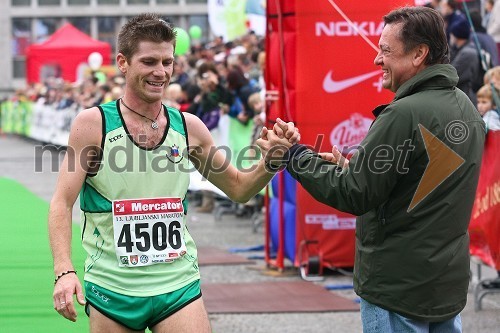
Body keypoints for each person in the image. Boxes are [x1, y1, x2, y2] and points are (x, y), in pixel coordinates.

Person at [48, 13, 298, 333]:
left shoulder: (189, 127)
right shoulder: (92, 124)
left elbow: (239, 189)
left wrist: (272, 161)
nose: (161, 72)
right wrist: (63, 270)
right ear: (123, 63)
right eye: (149, 61)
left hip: (178, 285)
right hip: (113, 288)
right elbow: (61, 202)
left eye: (167, 62)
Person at [258, 6, 485, 332]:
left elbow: (354, 193)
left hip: (396, 286)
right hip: (443, 284)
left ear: (419, 54)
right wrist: (355, 167)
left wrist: (293, 155)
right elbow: (417, 180)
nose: (377, 59)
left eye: (385, 51)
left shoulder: (403, 113)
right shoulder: (465, 105)